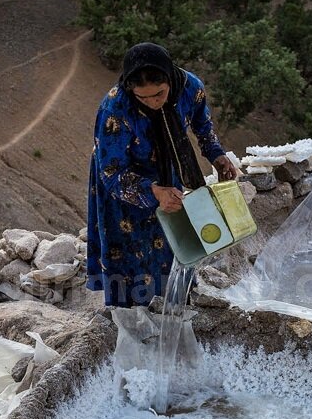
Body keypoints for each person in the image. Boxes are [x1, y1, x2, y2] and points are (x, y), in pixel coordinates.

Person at [86, 42, 237, 307]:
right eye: (142, 98)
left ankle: (174, 308)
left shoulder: (190, 88)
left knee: (175, 243)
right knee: (131, 256)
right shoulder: (115, 109)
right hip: (124, 185)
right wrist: (152, 191)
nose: (153, 102)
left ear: (169, 78)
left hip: (168, 170)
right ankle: (133, 323)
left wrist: (217, 154)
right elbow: (110, 172)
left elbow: (203, 126)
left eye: (159, 93)